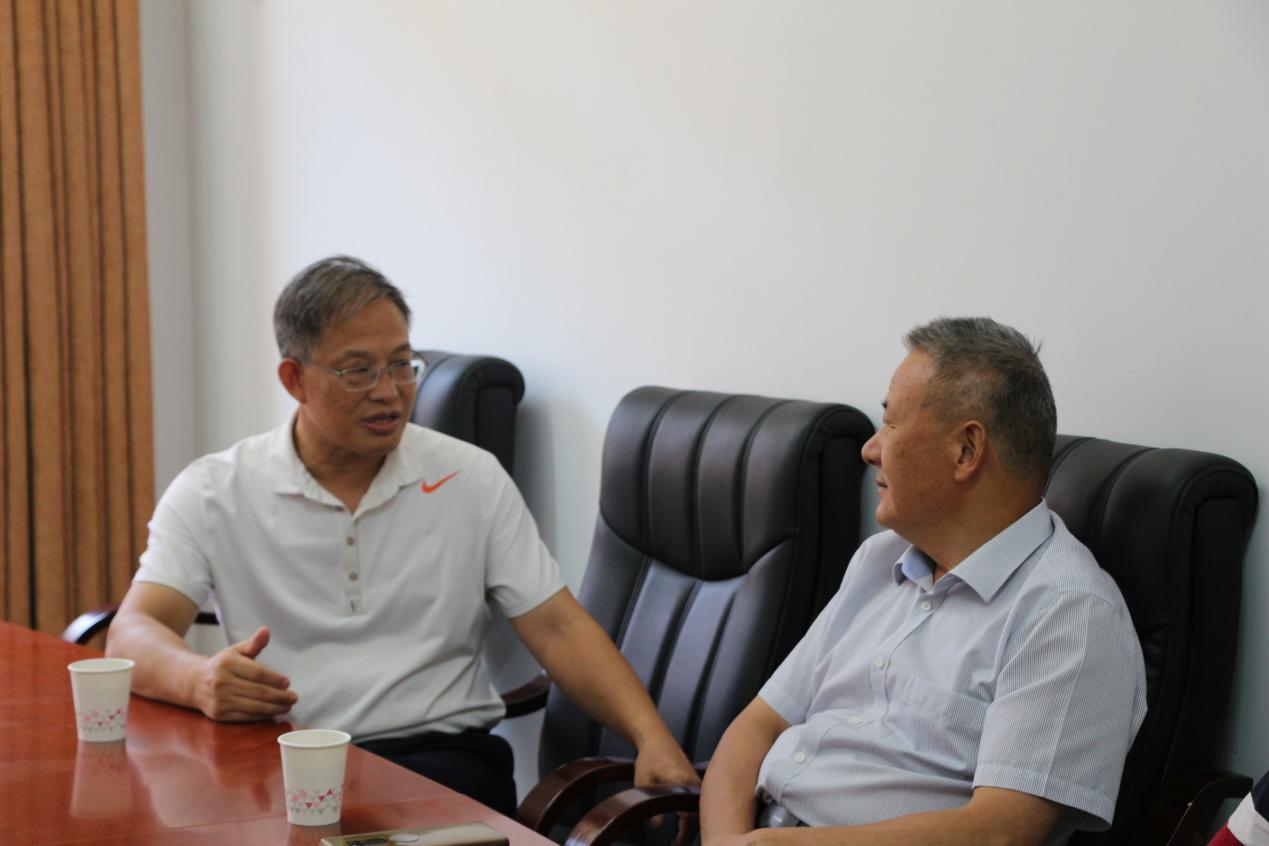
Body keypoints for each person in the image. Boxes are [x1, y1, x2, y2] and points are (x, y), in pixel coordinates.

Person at [107, 255, 698, 815]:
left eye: (400, 364)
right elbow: (133, 631)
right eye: (358, 371)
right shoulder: (215, 490)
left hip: (442, 764)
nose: (388, 392)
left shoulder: (469, 477)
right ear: (295, 379)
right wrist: (198, 679)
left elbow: (558, 626)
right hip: (285, 763)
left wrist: (650, 735)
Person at [699, 317, 1147, 846]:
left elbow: (1001, 833)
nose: (870, 449)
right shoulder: (877, 560)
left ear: (966, 451)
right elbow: (756, 727)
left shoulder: (1069, 613)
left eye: (890, 424)